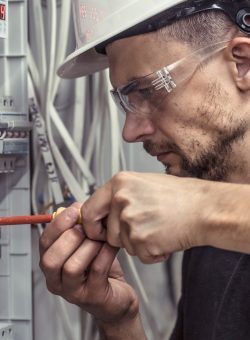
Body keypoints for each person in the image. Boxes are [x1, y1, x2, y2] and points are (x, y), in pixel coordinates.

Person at [39, 0, 250, 339]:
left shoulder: (204, 213)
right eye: (126, 101)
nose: (130, 132)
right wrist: (119, 321)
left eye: (147, 91)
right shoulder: (209, 219)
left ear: (242, 63)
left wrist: (201, 210)